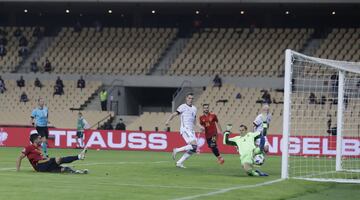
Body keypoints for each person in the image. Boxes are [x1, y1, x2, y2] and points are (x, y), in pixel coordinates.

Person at [16, 132, 88, 173]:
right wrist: (18, 170)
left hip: (43, 166)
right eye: (39, 138)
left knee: (63, 169)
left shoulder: (37, 149)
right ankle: (79, 156)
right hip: (40, 166)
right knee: (58, 159)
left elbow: (38, 158)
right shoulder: (29, 147)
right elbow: (19, 158)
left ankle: (79, 172)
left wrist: (45, 158)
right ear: (35, 140)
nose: (41, 140)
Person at [165, 93, 204, 168]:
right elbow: (174, 114)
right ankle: (176, 150)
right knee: (194, 145)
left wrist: (200, 127)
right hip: (185, 128)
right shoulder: (182, 107)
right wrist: (168, 121)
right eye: (189, 98)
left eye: (192, 98)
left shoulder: (194, 108)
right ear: (186, 98)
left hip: (191, 130)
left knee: (194, 149)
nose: (191, 100)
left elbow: (194, 121)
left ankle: (179, 162)